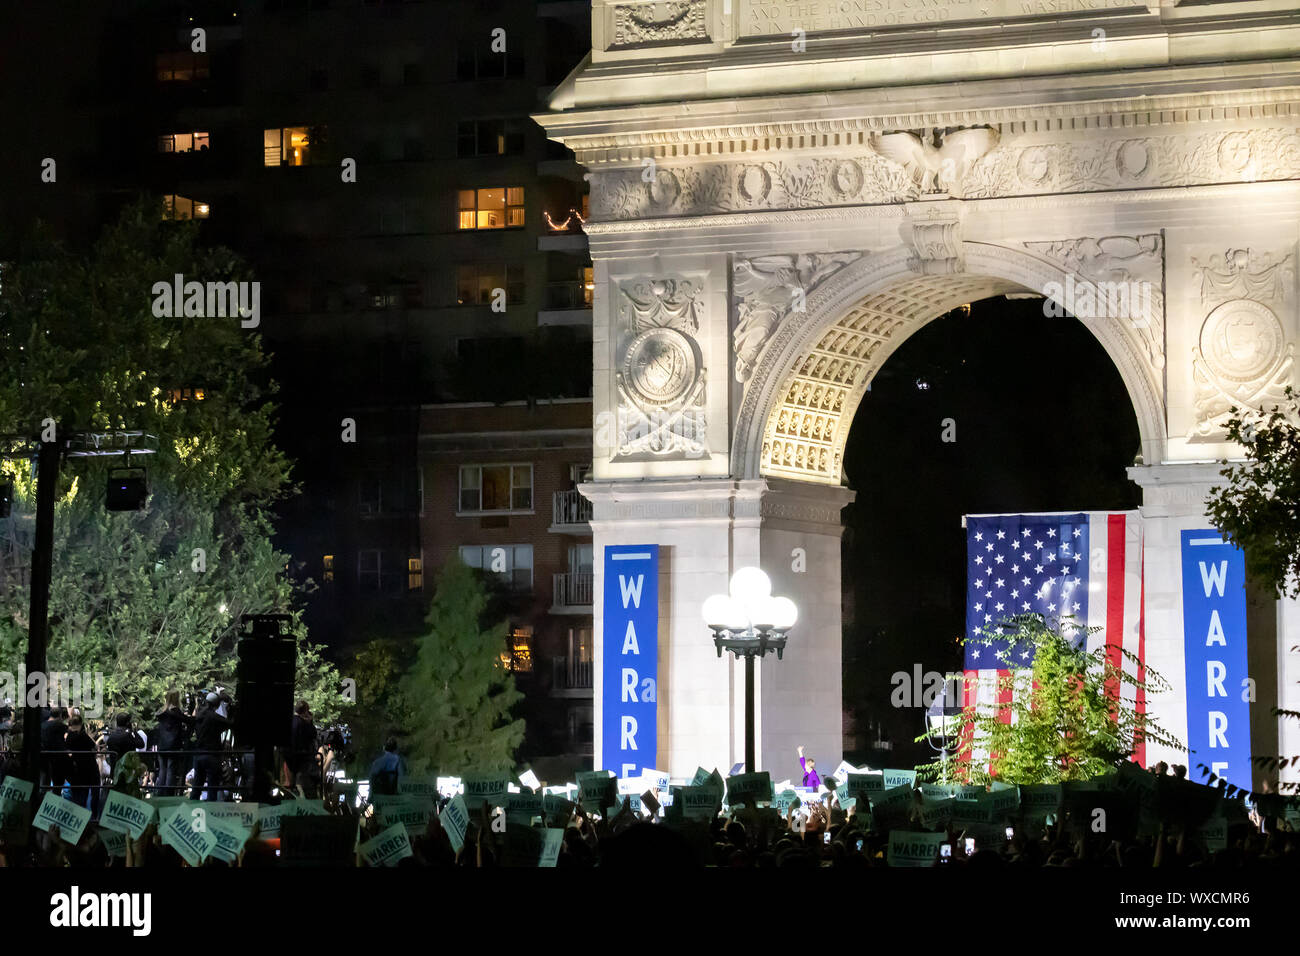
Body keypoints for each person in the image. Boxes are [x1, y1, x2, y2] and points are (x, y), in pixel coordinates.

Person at [190, 692, 232, 801]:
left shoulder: (199, 715)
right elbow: (230, 723)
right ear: (216, 704)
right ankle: (210, 810)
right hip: (211, 755)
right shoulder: (214, 717)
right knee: (212, 786)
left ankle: (191, 809)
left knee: (197, 785)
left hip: (198, 754)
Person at [154, 690, 192, 795]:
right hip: (173, 745)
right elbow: (189, 721)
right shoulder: (175, 712)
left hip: (162, 745)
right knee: (171, 770)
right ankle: (168, 793)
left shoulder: (162, 713)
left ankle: (160, 793)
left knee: (162, 770)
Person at [64, 716, 100, 812]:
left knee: (80, 796)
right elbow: (95, 747)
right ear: (81, 723)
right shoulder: (82, 735)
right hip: (90, 767)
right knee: (94, 793)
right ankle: (94, 816)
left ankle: (79, 817)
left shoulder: (69, 737)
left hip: (77, 770)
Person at [289, 700, 319, 797]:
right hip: (303, 757)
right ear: (306, 711)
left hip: (289, 756)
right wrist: (310, 722)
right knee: (302, 780)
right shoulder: (304, 724)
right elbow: (313, 735)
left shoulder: (291, 721)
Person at [40, 708, 69, 793]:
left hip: (43, 758)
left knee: (44, 784)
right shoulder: (60, 726)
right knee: (57, 786)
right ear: (60, 715)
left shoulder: (41, 726)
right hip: (57, 759)